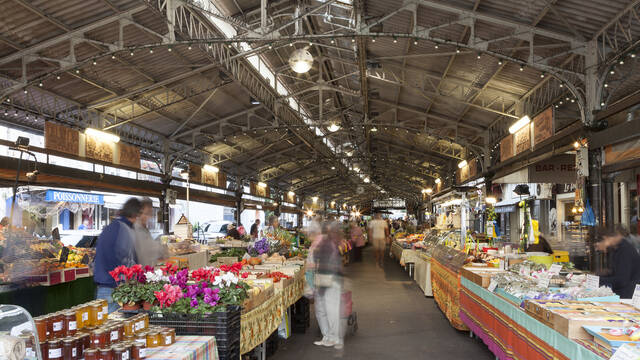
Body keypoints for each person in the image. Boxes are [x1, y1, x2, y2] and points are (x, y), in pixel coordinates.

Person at [94, 198, 141, 313]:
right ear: (135, 215)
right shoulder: (124, 229)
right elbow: (127, 261)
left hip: (102, 287)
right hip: (115, 289)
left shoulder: (110, 227)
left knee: (105, 325)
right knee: (119, 327)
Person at [310, 221, 344, 349]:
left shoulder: (326, 243)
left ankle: (333, 338)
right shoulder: (329, 243)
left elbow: (317, 258)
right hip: (328, 279)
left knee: (330, 310)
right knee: (325, 309)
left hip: (329, 279)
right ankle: (329, 337)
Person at [595, 225, 640, 298]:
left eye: (597, 245)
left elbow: (622, 280)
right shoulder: (616, 249)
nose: (597, 249)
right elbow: (618, 272)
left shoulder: (625, 250)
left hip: (628, 297)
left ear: (605, 238)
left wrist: (598, 280)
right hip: (623, 293)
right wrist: (605, 273)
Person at [133, 198, 167, 267]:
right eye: (147, 213)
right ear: (139, 213)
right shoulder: (135, 229)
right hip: (139, 273)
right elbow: (145, 251)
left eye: (150, 213)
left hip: (147, 271)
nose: (149, 217)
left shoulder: (145, 229)